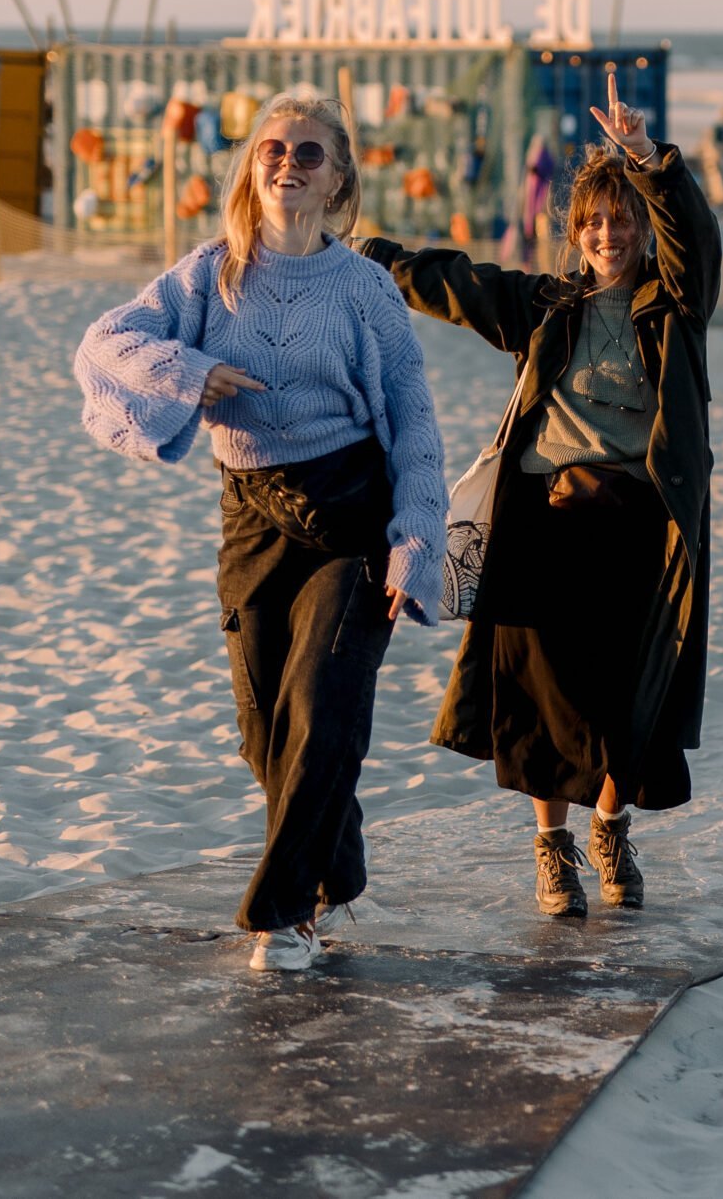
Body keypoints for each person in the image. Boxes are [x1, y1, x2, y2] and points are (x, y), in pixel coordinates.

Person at [73, 90, 447, 974]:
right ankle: (339, 858)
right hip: (250, 517)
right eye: (272, 149)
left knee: (322, 715)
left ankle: (282, 918)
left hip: (352, 515)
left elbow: (417, 423)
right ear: (251, 168)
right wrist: (189, 370)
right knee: (263, 734)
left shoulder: (366, 290)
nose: (287, 163)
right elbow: (103, 342)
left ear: (339, 180)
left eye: (308, 153)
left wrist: (416, 540)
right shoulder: (209, 274)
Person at [358, 74, 717, 919]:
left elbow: (693, 237)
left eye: (621, 218)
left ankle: (610, 829)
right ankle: (552, 849)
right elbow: (452, 282)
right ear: (575, 232)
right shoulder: (546, 307)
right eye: (592, 222)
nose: (607, 233)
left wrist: (649, 163)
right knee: (541, 696)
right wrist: (364, 258)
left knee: (630, 694)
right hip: (544, 523)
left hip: (640, 530)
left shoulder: (674, 307)